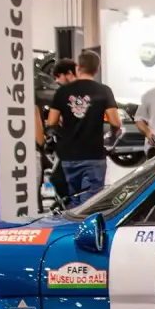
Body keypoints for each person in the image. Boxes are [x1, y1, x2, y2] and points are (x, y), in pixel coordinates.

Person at [47, 50, 120, 204]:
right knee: (90, 203)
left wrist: (63, 129)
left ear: (78, 67)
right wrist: (113, 136)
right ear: (97, 69)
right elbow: (115, 122)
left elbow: (51, 122)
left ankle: (73, 219)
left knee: (74, 201)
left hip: (69, 156)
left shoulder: (63, 91)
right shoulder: (104, 90)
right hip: (94, 154)